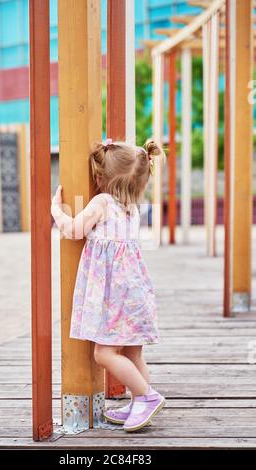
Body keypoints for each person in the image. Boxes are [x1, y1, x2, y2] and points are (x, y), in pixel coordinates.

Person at [51, 139, 166, 432]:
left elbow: (74, 230)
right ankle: (139, 399)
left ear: (101, 179)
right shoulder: (132, 210)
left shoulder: (102, 203)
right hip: (135, 293)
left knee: (103, 353)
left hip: (114, 298)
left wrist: (57, 212)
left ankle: (148, 397)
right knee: (133, 353)